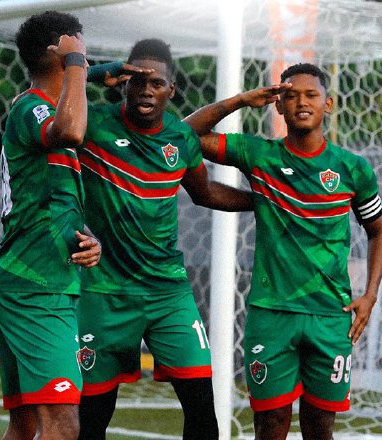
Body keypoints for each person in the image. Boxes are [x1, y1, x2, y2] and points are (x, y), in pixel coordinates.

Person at [183, 63, 382, 439]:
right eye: (291, 95)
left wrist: (370, 294)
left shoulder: (353, 169)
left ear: (329, 104)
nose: (301, 103)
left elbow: (377, 232)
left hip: (331, 314)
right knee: (270, 424)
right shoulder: (259, 154)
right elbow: (185, 135)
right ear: (278, 106)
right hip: (271, 313)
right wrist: (241, 100)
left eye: (311, 95)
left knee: (320, 426)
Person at [76, 38, 253, 440]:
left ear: (170, 90)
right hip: (104, 291)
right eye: (135, 80)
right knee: (92, 420)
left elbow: (206, 194)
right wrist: (95, 70)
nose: (145, 90)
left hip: (168, 292)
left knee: (204, 414)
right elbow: (38, 101)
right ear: (122, 82)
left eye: (155, 83)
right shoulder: (91, 125)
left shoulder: (181, 139)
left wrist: (263, 202)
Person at [0, 11, 149, 440]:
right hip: (35, 289)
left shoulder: (39, 108)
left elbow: (51, 201)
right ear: (59, 51)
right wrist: (79, 64)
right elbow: (71, 130)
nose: (84, 50)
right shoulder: (32, 108)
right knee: (62, 423)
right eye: (77, 43)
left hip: (33, 281)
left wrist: (84, 239)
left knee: (24, 425)